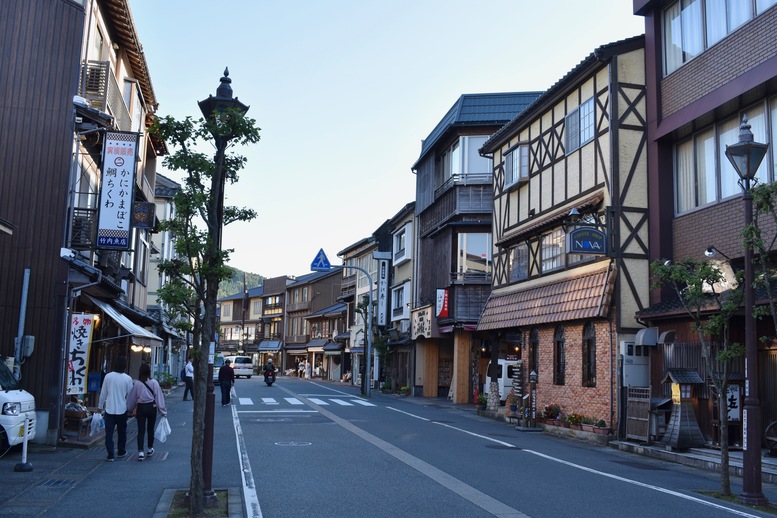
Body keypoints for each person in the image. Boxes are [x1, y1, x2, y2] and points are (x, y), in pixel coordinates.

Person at [127, 362, 167, 461]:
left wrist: (129, 409)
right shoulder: (154, 382)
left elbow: (132, 398)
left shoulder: (137, 383)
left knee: (141, 430)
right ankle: (150, 448)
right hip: (152, 407)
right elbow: (159, 397)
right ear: (149, 371)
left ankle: (140, 452)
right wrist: (162, 411)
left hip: (141, 407)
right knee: (150, 429)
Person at [98, 356, 133, 462]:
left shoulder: (108, 376)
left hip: (109, 409)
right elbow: (130, 395)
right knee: (122, 431)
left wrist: (100, 406)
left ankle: (110, 454)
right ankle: (121, 451)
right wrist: (130, 408)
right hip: (122, 409)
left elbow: (103, 393)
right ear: (125, 366)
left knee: (109, 433)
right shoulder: (128, 378)